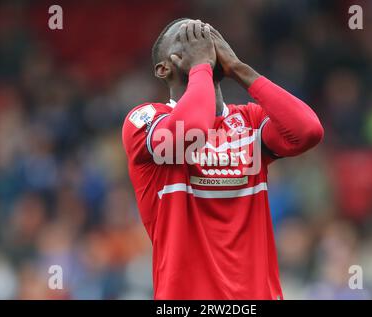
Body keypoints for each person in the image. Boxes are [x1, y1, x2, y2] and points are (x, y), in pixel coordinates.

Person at [122, 18, 324, 299]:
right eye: (188, 40)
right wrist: (202, 67)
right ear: (163, 68)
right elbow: (193, 129)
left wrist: (240, 70)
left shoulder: (249, 121)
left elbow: (308, 131)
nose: (202, 44)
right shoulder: (145, 121)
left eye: (208, 38)